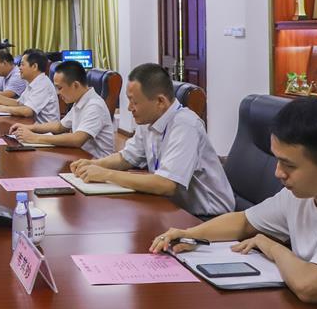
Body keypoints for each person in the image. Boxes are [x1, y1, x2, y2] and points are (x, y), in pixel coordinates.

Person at [150, 98, 317, 309]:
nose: (278, 172)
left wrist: (271, 246)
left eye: (288, 165)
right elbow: (244, 221)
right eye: (277, 160)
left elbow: (310, 286)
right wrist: (190, 234)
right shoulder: (303, 194)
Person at [71, 63, 233, 218]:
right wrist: (94, 164)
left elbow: (166, 184)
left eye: (134, 102)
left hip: (208, 217)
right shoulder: (149, 120)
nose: (129, 108)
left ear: (160, 101)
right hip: (172, 206)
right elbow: (126, 157)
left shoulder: (186, 125)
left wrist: (106, 174)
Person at [9, 60, 113, 158]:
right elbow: (60, 126)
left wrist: (35, 138)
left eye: (60, 88)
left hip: (97, 163)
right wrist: (30, 127)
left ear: (75, 85)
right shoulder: (80, 100)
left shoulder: (94, 105)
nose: (58, 93)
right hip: (81, 157)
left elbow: (77, 139)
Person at [0, 49, 59, 124]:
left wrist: (4, 109)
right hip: (32, 126)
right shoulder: (32, 82)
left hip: (45, 131)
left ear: (34, 66)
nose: (19, 68)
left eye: (22, 64)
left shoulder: (42, 84)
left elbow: (27, 111)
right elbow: (19, 103)